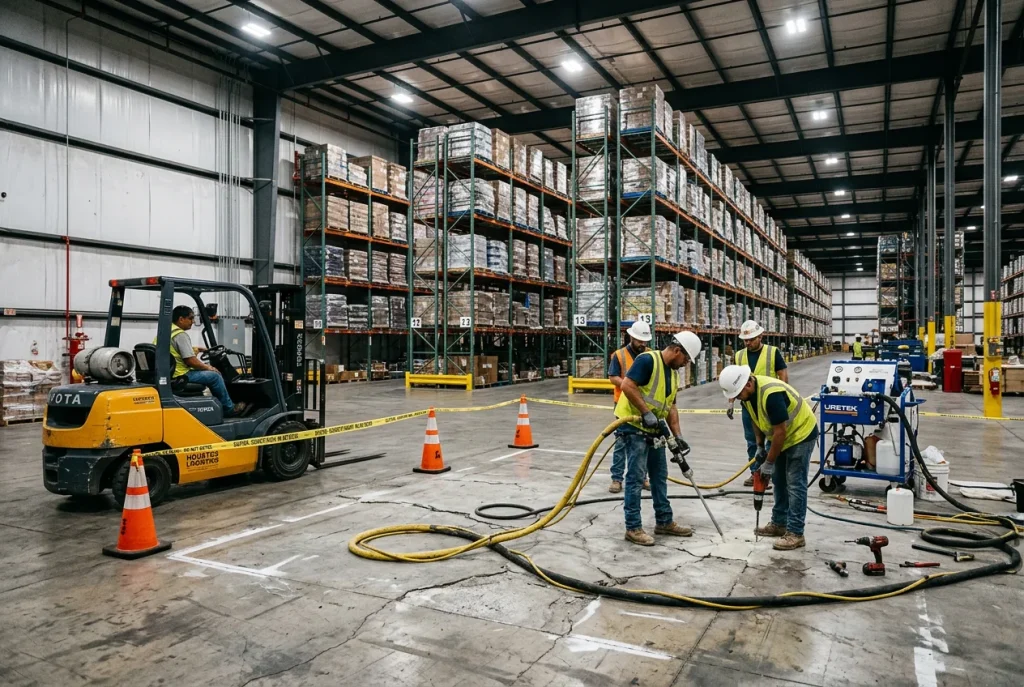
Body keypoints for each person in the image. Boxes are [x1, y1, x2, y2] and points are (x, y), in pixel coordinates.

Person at [614, 331, 703, 546]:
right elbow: (627, 385)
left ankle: (664, 521)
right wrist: (645, 412)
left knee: (659, 476)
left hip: (655, 429)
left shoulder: (673, 374)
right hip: (634, 427)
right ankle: (633, 527)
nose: (685, 364)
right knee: (636, 478)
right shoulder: (647, 360)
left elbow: (671, 406)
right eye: (686, 359)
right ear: (677, 350)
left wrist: (678, 435)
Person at [719, 364, 818, 551]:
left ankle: (796, 533)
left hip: (801, 434)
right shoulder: (747, 395)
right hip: (781, 437)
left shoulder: (771, 394)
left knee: (794, 483)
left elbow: (780, 432)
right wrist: (759, 445)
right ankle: (779, 523)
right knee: (779, 481)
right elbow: (755, 419)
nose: (737, 398)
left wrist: (769, 462)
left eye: (738, 394)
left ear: (748, 384)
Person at [160, 305, 248, 417]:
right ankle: (229, 409)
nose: (193, 321)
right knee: (215, 376)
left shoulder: (166, 332)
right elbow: (190, 361)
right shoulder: (180, 335)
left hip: (169, 374)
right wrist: (209, 367)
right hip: (181, 375)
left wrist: (197, 349)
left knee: (207, 369)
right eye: (190, 318)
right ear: (181, 319)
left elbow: (174, 351)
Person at [730, 320, 788, 487]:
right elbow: (733, 380)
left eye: (751, 340)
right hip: (748, 405)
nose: (747, 343)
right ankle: (756, 473)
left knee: (772, 437)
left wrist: (782, 398)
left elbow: (783, 375)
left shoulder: (772, 352)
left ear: (760, 337)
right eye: (745, 340)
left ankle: (769, 472)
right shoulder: (739, 355)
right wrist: (731, 402)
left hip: (769, 404)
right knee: (752, 441)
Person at [608, 321, 652, 494]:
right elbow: (613, 377)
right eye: (640, 340)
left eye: (645, 341)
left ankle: (643, 477)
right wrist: (629, 387)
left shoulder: (650, 354)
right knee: (621, 441)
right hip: (623, 404)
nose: (643, 344)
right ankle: (617, 479)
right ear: (631, 337)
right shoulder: (619, 355)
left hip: (643, 404)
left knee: (644, 442)